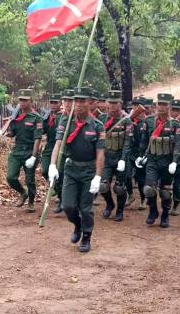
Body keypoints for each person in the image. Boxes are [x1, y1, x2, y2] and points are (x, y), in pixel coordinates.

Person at [48, 87, 105, 253]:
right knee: (68, 206)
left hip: (88, 170)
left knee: (86, 208)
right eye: (76, 100)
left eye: (82, 100)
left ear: (90, 103)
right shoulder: (66, 122)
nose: (78, 104)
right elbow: (58, 145)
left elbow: (100, 153)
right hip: (71, 169)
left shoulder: (97, 126)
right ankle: (78, 225)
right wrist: (52, 165)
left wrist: (98, 176)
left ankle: (86, 236)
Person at [137, 93, 180, 228]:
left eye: (165, 104)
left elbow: (178, 144)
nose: (161, 107)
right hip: (152, 159)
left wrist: (175, 161)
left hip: (167, 161)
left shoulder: (175, 124)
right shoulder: (149, 121)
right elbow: (144, 140)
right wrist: (141, 156)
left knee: (165, 191)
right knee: (148, 189)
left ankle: (165, 214)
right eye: (160, 104)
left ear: (169, 106)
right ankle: (153, 211)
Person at [5, 89, 43, 212]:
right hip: (17, 150)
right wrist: (5, 131)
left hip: (30, 150)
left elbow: (38, 137)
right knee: (11, 177)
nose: (22, 102)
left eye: (25, 100)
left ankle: (31, 202)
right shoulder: (16, 116)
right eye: (21, 100)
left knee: (30, 179)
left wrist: (34, 155)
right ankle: (23, 192)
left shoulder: (36, 118)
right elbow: (12, 133)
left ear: (31, 101)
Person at [98, 90, 133, 222]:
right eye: (110, 102)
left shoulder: (126, 121)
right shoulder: (102, 119)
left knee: (119, 187)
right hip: (106, 157)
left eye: (115, 103)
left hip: (120, 157)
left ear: (120, 103)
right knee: (103, 185)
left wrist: (123, 159)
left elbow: (127, 142)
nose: (113, 105)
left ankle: (119, 210)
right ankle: (109, 204)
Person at [41, 93, 63, 214]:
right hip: (49, 146)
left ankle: (61, 198)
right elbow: (41, 131)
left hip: (61, 147)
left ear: (60, 103)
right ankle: (55, 188)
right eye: (51, 102)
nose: (53, 105)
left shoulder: (64, 117)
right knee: (45, 170)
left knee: (60, 173)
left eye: (56, 102)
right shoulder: (47, 116)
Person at [129, 96, 149, 209]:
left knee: (141, 178)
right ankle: (130, 195)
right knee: (126, 176)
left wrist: (145, 155)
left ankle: (143, 199)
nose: (136, 107)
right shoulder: (129, 120)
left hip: (141, 153)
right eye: (134, 105)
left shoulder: (147, 122)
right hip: (130, 152)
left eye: (138, 105)